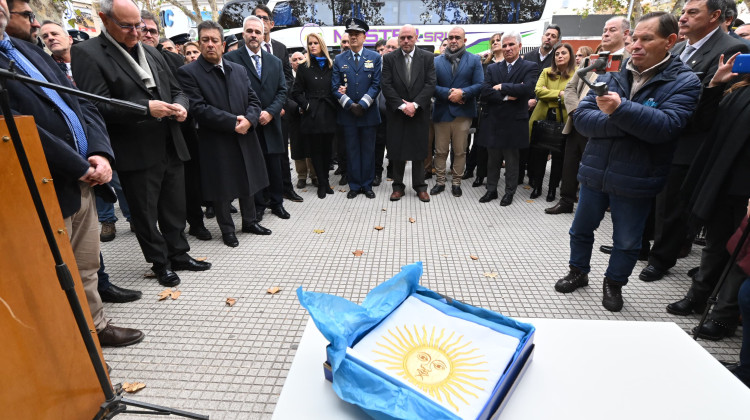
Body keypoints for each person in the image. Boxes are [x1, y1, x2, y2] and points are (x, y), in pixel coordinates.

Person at [0, 0, 144, 346]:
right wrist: (80, 166)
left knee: (86, 265)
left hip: (82, 180)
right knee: (48, 273)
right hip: (37, 186)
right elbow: (18, 127)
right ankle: (67, 347)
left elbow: (79, 101)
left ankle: (95, 327)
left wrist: (98, 153)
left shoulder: (24, 49)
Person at [553, 12, 701, 312]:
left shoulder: (685, 81)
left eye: (647, 39)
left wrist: (619, 110)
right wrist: (630, 122)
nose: (636, 45)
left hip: (638, 179)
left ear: (670, 41)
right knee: (580, 230)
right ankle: (578, 271)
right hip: (596, 172)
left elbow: (666, 127)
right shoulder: (613, 72)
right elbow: (582, 119)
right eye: (635, 38)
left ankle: (614, 283)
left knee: (627, 242)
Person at [72, 0, 212, 288]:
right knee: (145, 214)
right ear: (104, 19)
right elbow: (96, 104)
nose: (136, 32)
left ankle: (179, 254)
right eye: (127, 26)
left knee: (175, 207)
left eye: (139, 25)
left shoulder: (151, 52)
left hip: (170, 142)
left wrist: (180, 105)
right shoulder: (88, 53)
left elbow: (177, 90)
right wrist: (146, 109)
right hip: (134, 149)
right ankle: (160, 263)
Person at [641, 0, 749, 283]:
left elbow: (724, 103)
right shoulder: (677, 48)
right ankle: (643, 246)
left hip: (694, 142)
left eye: (692, 12)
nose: (683, 18)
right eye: (683, 12)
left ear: (714, 16)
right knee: (656, 198)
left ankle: (661, 259)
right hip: (663, 133)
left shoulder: (731, 49)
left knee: (674, 204)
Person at [666, 52, 750, 339]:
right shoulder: (738, 88)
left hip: (747, 191)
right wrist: (715, 84)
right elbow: (704, 123)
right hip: (722, 181)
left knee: (743, 255)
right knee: (716, 244)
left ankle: (724, 316)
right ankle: (697, 296)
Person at [177, 20, 271, 247]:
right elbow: (198, 108)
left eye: (214, 40)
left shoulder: (237, 69)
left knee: (248, 177)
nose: (210, 45)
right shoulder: (188, 72)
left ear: (222, 44)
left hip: (244, 133)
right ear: (199, 43)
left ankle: (249, 221)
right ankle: (227, 230)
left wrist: (249, 119)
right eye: (205, 40)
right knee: (221, 185)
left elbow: (254, 99)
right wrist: (233, 122)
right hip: (215, 139)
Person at [546, 17, 630, 215]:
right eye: (604, 29)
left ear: (625, 34)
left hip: (604, 124)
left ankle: (591, 207)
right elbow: (570, 88)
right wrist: (576, 111)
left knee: (594, 167)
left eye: (612, 30)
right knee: (570, 164)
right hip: (577, 121)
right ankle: (566, 201)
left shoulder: (629, 61)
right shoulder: (589, 60)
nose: (606, 33)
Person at [225, 16, 291, 221]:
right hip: (248, 123)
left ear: (264, 35)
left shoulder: (275, 61)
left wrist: (270, 112)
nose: (253, 35)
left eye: (257, 32)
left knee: (275, 164)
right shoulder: (232, 59)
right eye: (249, 31)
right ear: (243, 33)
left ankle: (277, 203)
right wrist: (252, 116)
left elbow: (282, 90)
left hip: (271, 122)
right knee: (254, 165)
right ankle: (259, 205)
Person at [476, 32, 539, 207]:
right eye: (504, 45)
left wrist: (503, 86)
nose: (507, 48)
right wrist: (506, 96)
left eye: (511, 45)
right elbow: (485, 91)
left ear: (519, 46)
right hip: (494, 120)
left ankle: (509, 192)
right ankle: (491, 190)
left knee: (512, 160)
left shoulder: (529, 66)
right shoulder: (493, 68)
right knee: (493, 159)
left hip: (514, 121)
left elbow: (527, 89)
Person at [252, 4, 303, 203]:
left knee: (281, 153)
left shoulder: (281, 48)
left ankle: (286, 189)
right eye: (256, 17)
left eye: (264, 18)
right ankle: (264, 196)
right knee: (261, 155)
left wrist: (278, 106)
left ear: (271, 24)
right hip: (256, 112)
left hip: (280, 111)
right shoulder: (242, 48)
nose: (261, 22)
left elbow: (288, 79)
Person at [382, 24, 436, 202]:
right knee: (397, 149)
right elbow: (386, 85)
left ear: (416, 37)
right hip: (397, 113)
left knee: (419, 150)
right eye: (402, 38)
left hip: (419, 113)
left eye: (409, 37)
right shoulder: (389, 58)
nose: (405, 41)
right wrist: (403, 106)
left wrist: (415, 104)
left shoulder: (427, 57)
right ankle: (398, 187)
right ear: (398, 39)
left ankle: (420, 187)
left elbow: (430, 84)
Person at [331, 17, 381, 199]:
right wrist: (351, 105)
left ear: (364, 37)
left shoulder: (374, 57)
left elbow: (376, 84)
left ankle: (367, 185)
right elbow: (335, 87)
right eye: (350, 34)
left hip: (368, 114)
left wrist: (363, 104)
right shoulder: (339, 59)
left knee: (368, 151)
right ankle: (354, 185)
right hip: (348, 114)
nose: (352, 37)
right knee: (352, 151)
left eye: (356, 34)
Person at [431, 26, 483, 198]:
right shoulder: (436, 61)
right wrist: (449, 94)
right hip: (442, 112)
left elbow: (480, 84)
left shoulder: (474, 60)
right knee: (440, 151)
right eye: (451, 37)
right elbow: (431, 85)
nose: (453, 40)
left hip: (463, 112)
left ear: (464, 40)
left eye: (457, 37)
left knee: (460, 151)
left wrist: (463, 93)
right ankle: (440, 182)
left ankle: (456, 182)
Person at [527, 42, 576, 202]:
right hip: (543, 119)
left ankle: (552, 190)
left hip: (563, 121)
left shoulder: (576, 74)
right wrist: (560, 94)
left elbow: (572, 96)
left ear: (570, 56)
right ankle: (537, 186)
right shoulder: (546, 72)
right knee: (539, 155)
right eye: (557, 54)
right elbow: (539, 91)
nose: (560, 56)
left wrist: (553, 95)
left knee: (558, 158)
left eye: (563, 53)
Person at [291, 33, 338, 199]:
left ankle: (325, 181)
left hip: (329, 111)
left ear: (322, 45)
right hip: (312, 114)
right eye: (310, 43)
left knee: (328, 151)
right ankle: (322, 184)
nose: (312, 46)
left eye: (315, 43)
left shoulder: (332, 65)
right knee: (316, 150)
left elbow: (338, 86)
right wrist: (307, 105)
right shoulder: (304, 67)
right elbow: (295, 91)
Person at [465, 32, 503, 187]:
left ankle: (492, 177)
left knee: (497, 145)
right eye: (493, 41)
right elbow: (483, 88)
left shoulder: (510, 65)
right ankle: (478, 174)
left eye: (498, 40)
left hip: (503, 111)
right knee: (479, 144)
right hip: (485, 108)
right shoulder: (485, 65)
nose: (495, 43)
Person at [289, 51, 316, 189]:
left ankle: (315, 175)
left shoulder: (310, 74)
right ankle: (301, 176)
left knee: (312, 146)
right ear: (291, 62)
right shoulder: (287, 78)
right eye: (295, 59)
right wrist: (298, 107)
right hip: (295, 118)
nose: (298, 61)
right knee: (298, 148)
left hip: (310, 115)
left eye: (301, 58)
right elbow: (285, 97)